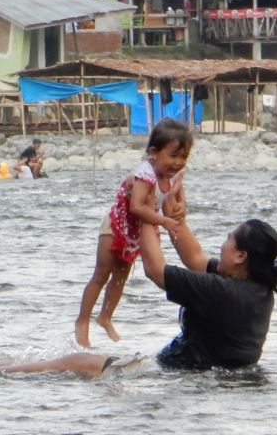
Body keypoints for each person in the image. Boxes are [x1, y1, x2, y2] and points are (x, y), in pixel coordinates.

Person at [0, 216, 277, 376]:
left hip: (178, 373)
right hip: (192, 368)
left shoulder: (225, 292)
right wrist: (171, 214)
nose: (224, 242)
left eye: (229, 239)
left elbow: (156, 271)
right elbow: (197, 259)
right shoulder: (256, 288)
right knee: (83, 358)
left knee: (74, 361)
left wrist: (142, 216)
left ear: (241, 255)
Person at [74, 118, 191, 347]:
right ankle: (82, 321)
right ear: (154, 153)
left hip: (135, 232)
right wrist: (164, 221)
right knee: (101, 274)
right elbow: (136, 207)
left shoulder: (173, 174)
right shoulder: (145, 174)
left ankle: (105, 317)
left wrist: (181, 207)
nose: (178, 162)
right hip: (116, 225)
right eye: (173, 156)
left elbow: (177, 196)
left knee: (120, 277)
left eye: (183, 157)